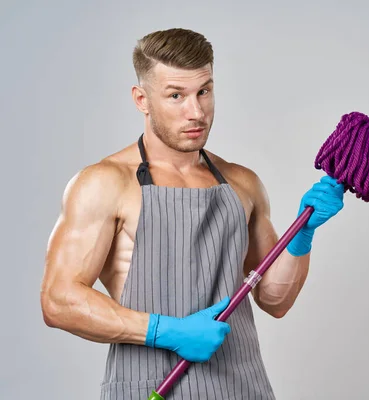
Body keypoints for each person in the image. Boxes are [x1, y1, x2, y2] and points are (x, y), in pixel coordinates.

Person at [40, 28, 345, 399]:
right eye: (175, 96)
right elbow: (59, 300)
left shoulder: (242, 183)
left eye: (204, 91)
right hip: (149, 388)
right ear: (142, 99)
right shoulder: (105, 183)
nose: (196, 112)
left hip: (243, 388)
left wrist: (302, 234)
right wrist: (166, 332)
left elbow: (274, 301)